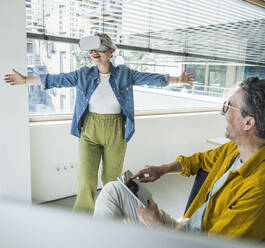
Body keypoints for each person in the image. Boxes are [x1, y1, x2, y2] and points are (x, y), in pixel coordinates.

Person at [3, 33, 195, 213]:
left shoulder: (124, 74)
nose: (94, 53)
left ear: (111, 51)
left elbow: (150, 78)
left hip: (116, 131)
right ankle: (83, 216)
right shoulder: (83, 74)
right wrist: (25, 80)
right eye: (92, 50)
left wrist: (177, 79)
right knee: (86, 179)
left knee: (111, 179)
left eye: (100, 48)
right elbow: (56, 80)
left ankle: (108, 213)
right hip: (90, 129)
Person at [94, 77, 265, 240]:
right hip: (183, 228)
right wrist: (162, 169)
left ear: (248, 123)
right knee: (113, 190)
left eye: (228, 107)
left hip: (185, 242)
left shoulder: (258, 190)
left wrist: (156, 225)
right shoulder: (234, 149)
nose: (222, 112)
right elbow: (199, 161)